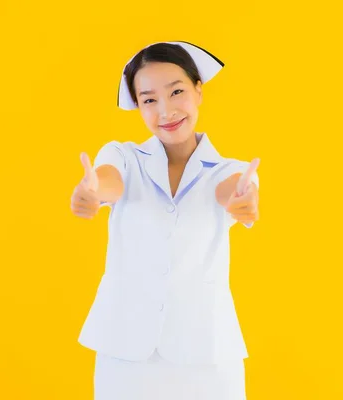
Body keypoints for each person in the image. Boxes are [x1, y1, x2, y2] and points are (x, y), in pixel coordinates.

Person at [70, 41, 260, 400]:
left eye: (176, 92)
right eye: (149, 100)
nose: (166, 110)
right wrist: (94, 192)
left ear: (198, 90)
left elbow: (232, 190)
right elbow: (110, 180)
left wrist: (242, 198)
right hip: (125, 352)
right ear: (139, 106)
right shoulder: (123, 156)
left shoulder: (229, 171)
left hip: (207, 355)